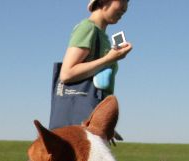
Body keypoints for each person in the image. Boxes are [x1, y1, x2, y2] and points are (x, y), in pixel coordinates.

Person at [52, 0, 132, 128]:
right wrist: (109, 59)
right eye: (122, 0)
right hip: (83, 119)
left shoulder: (102, 36)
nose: (125, 8)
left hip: (95, 118)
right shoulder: (87, 28)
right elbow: (67, 74)